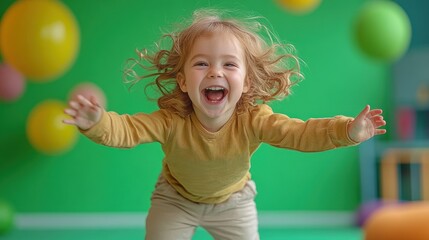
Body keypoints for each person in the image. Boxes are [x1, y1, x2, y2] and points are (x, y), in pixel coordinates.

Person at [63, 9, 386, 240]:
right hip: (175, 200)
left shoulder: (254, 120)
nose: (215, 72)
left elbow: (300, 133)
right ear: (184, 82)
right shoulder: (171, 119)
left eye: (229, 64)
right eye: (201, 63)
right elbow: (126, 130)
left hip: (233, 202)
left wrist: (347, 130)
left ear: (245, 83)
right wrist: (97, 122)